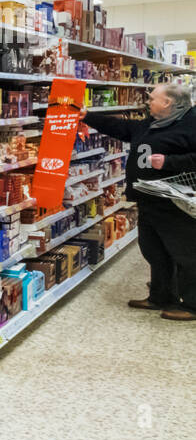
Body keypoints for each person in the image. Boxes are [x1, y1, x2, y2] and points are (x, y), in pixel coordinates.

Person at [81, 81, 196, 320]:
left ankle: (192, 305)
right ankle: (160, 296)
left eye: (152, 98)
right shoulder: (152, 123)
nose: (148, 101)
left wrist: (169, 163)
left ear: (168, 103)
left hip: (176, 201)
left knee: (185, 253)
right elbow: (124, 128)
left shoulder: (191, 124)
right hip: (148, 198)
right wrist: (87, 116)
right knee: (155, 251)